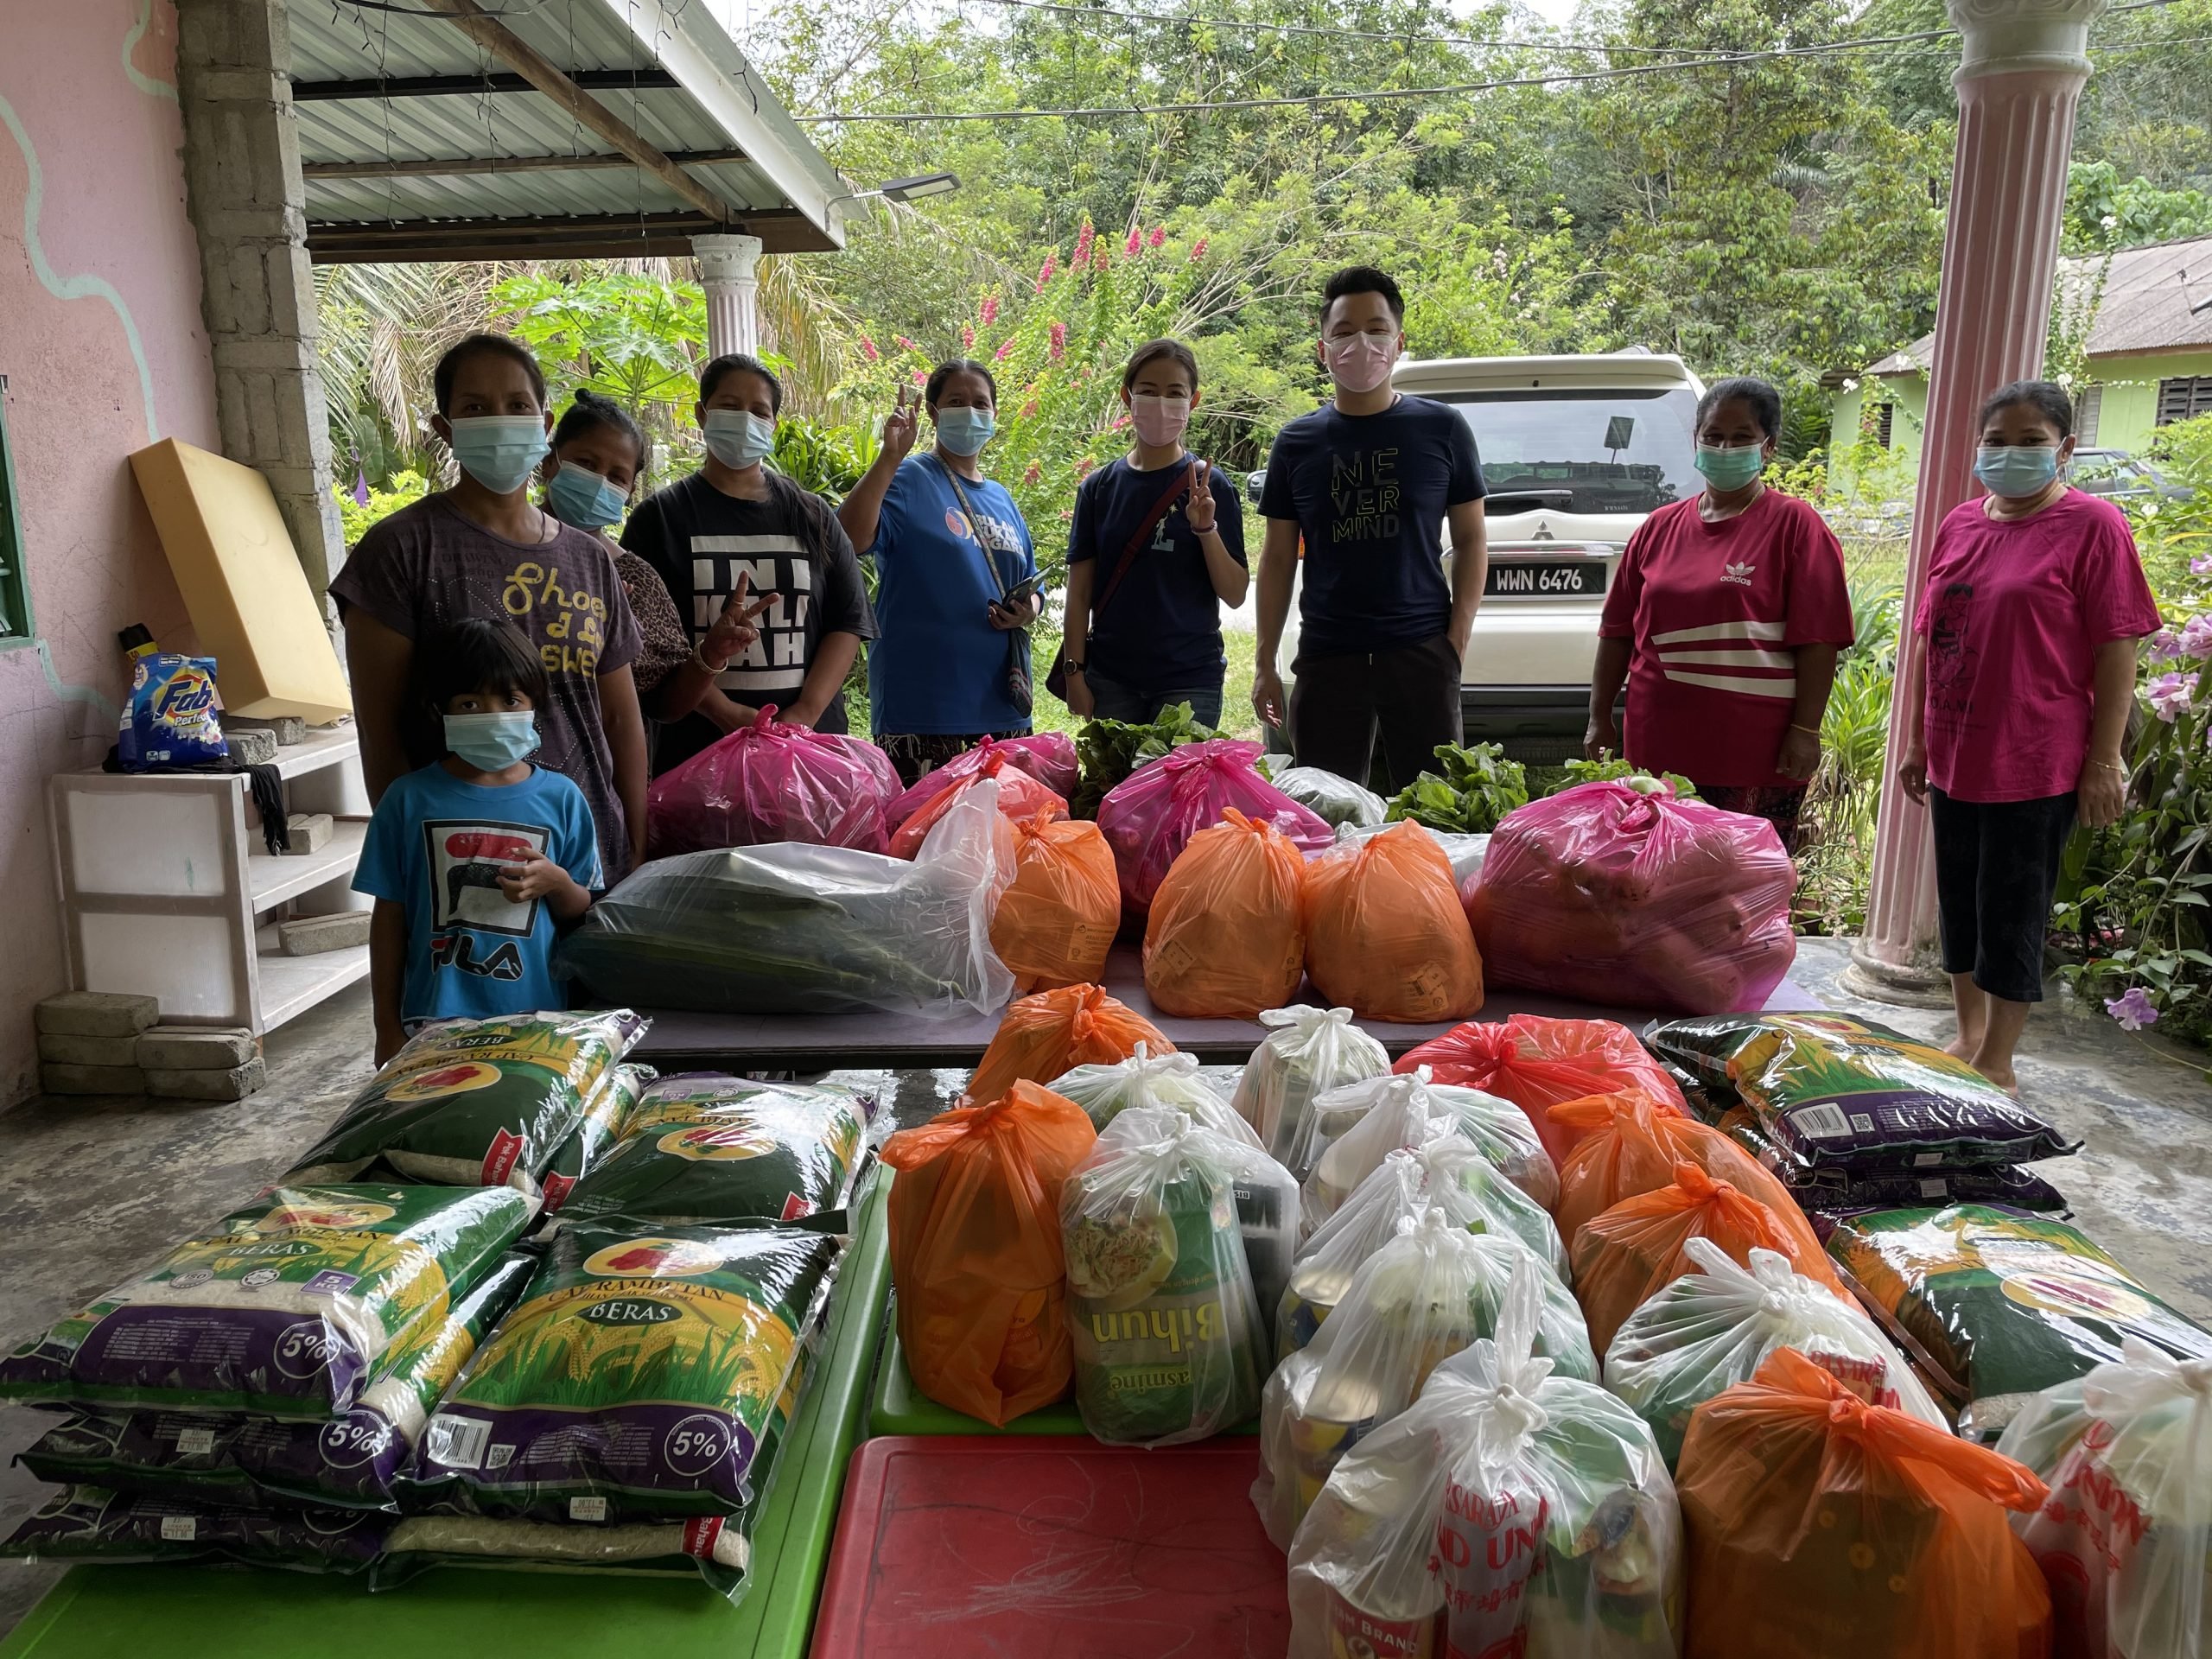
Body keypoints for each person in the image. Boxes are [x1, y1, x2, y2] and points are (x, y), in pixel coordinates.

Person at [1898, 378, 2158, 1090]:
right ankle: (1969, 1034)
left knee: (2012, 906)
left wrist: (2104, 760)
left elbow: (2117, 648)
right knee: (1960, 897)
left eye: (2031, 442)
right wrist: (1918, 742)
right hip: (1955, 748)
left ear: (2065, 449)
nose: (2011, 454)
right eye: (1998, 440)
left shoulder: (2094, 525)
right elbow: (1929, 637)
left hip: (2034, 756)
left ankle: (1999, 1062)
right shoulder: (1959, 524)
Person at [334, 334, 648, 883]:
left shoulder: (588, 559)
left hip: (585, 855)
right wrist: (412, 865)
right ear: (446, 429)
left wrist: (635, 845)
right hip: (463, 861)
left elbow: (620, 719)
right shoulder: (402, 549)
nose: (499, 420)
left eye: (517, 406)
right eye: (475, 408)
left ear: (545, 427)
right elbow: (380, 732)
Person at [1586, 376, 1855, 852]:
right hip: (1658, 751)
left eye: (1741, 437)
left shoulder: (1796, 526)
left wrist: (1805, 731)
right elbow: (1617, 632)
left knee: (1742, 892)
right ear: (1697, 440)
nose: (1724, 447)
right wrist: (1599, 716)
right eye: (1713, 436)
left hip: (1754, 754)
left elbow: (1820, 640)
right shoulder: (1658, 528)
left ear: (1767, 447)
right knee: (1655, 884)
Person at [1252, 266, 1489, 792]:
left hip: (1422, 651)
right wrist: (1265, 660)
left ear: (1399, 342)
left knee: (1436, 815)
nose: (1361, 343)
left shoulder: (1443, 429)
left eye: (1376, 329)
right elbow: (1276, 559)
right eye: (1343, 331)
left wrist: (1457, 638)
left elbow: (1472, 539)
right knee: (1326, 815)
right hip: (1328, 656)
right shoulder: (1297, 443)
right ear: (1323, 348)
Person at [355, 619, 600, 1065]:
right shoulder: (408, 799)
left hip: (538, 1017)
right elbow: (389, 918)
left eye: (510, 699)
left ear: (534, 704)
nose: (493, 715)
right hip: (433, 1019)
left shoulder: (562, 797)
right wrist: (385, 1028)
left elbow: (581, 907)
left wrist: (556, 882)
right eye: (470, 702)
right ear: (440, 710)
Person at [619, 353, 876, 775]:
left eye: (759, 410)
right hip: (697, 755)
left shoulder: (812, 514)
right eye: (729, 405)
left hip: (807, 753)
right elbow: (652, 643)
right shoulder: (659, 519)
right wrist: (725, 713)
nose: (745, 418)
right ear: (702, 414)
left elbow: (847, 621)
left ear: (773, 423)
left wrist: (805, 714)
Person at [838, 359, 1045, 787]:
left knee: (996, 841)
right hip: (925, 709)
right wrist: (889, 458)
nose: (970, 412)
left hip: (1003, 705)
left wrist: (1030, 608)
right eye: (956, 401)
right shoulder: (910, 479)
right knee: (923, 843)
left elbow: (1030, 579)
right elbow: (848, 538)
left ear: (994, 414)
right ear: (933, 413)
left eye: (980, 403)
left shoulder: (1002, 499)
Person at [538, 390, 769, 747]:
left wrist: (712, 652)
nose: (600, 482)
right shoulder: (496, 555)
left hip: (604, 782)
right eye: (585, 463)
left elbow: (665, 704)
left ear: (630, 491)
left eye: (617, 477)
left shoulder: (635, 579)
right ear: (549, 462)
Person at [1061, 338, 1249, 727]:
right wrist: (1074, 673)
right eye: (1148, 391)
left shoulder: (1212, 486)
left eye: (1174, 393)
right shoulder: (1098, 489)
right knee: (1114, 788)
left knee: (1178, 789)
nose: (1161, 403)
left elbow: (1234, 594)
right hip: (1112, 681)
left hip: (1190, 681)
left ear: (1192, 402)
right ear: (1127, 397)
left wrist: (1205, 528)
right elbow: (1079, 594)